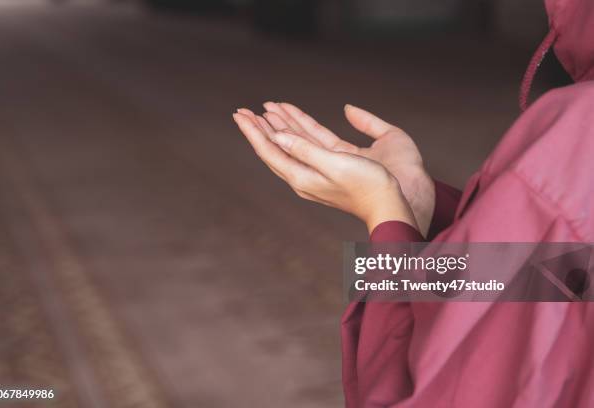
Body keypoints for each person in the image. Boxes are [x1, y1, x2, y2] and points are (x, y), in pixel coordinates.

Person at [232, 0, 594, 406]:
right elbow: (570, 277)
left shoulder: (575, 133)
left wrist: (385, 217)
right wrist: (426, 207)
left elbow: (433, 389)